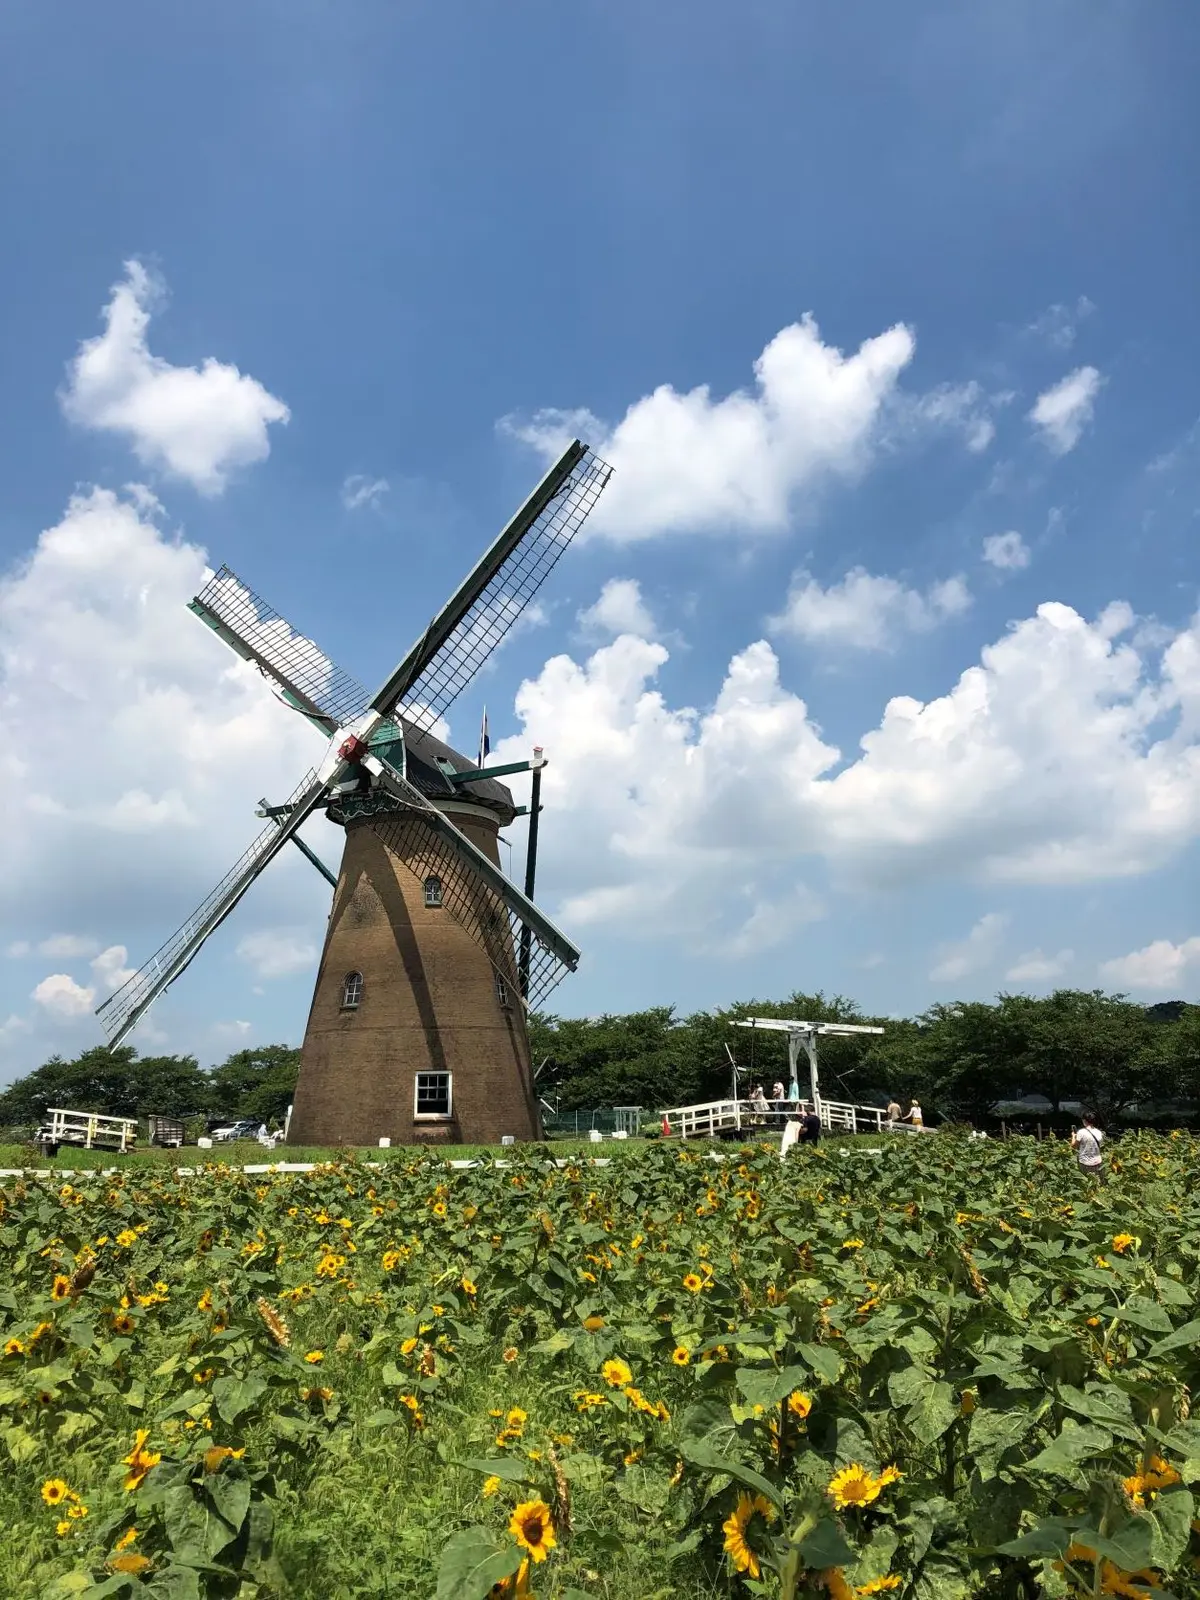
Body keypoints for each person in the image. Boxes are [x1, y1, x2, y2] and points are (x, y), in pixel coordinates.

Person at [1071, 1113, 1104, 1179]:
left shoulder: (1081, 1132)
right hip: (1098, 1162)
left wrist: (1073, 1136)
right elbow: (1100, 1146)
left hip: (1085, 1162)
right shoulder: (1099, 1132)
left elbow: (1073, 1146)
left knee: (1085, 1182)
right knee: (1097, 1182)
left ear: (1084, 1121)